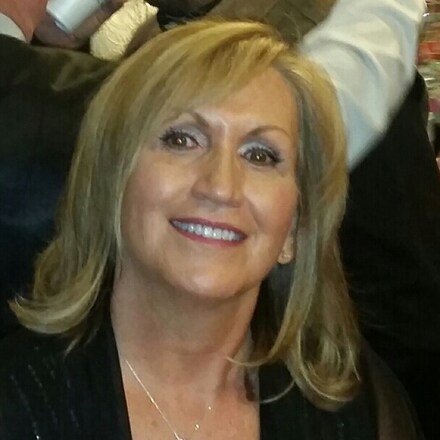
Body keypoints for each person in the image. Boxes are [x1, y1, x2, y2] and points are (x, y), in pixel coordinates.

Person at [0, 20, 423, 440]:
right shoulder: (16, 401)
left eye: (260, 155)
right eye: (182, 140)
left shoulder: (355, 409)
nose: (220, 187)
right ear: (112, 181)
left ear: (296, 225)